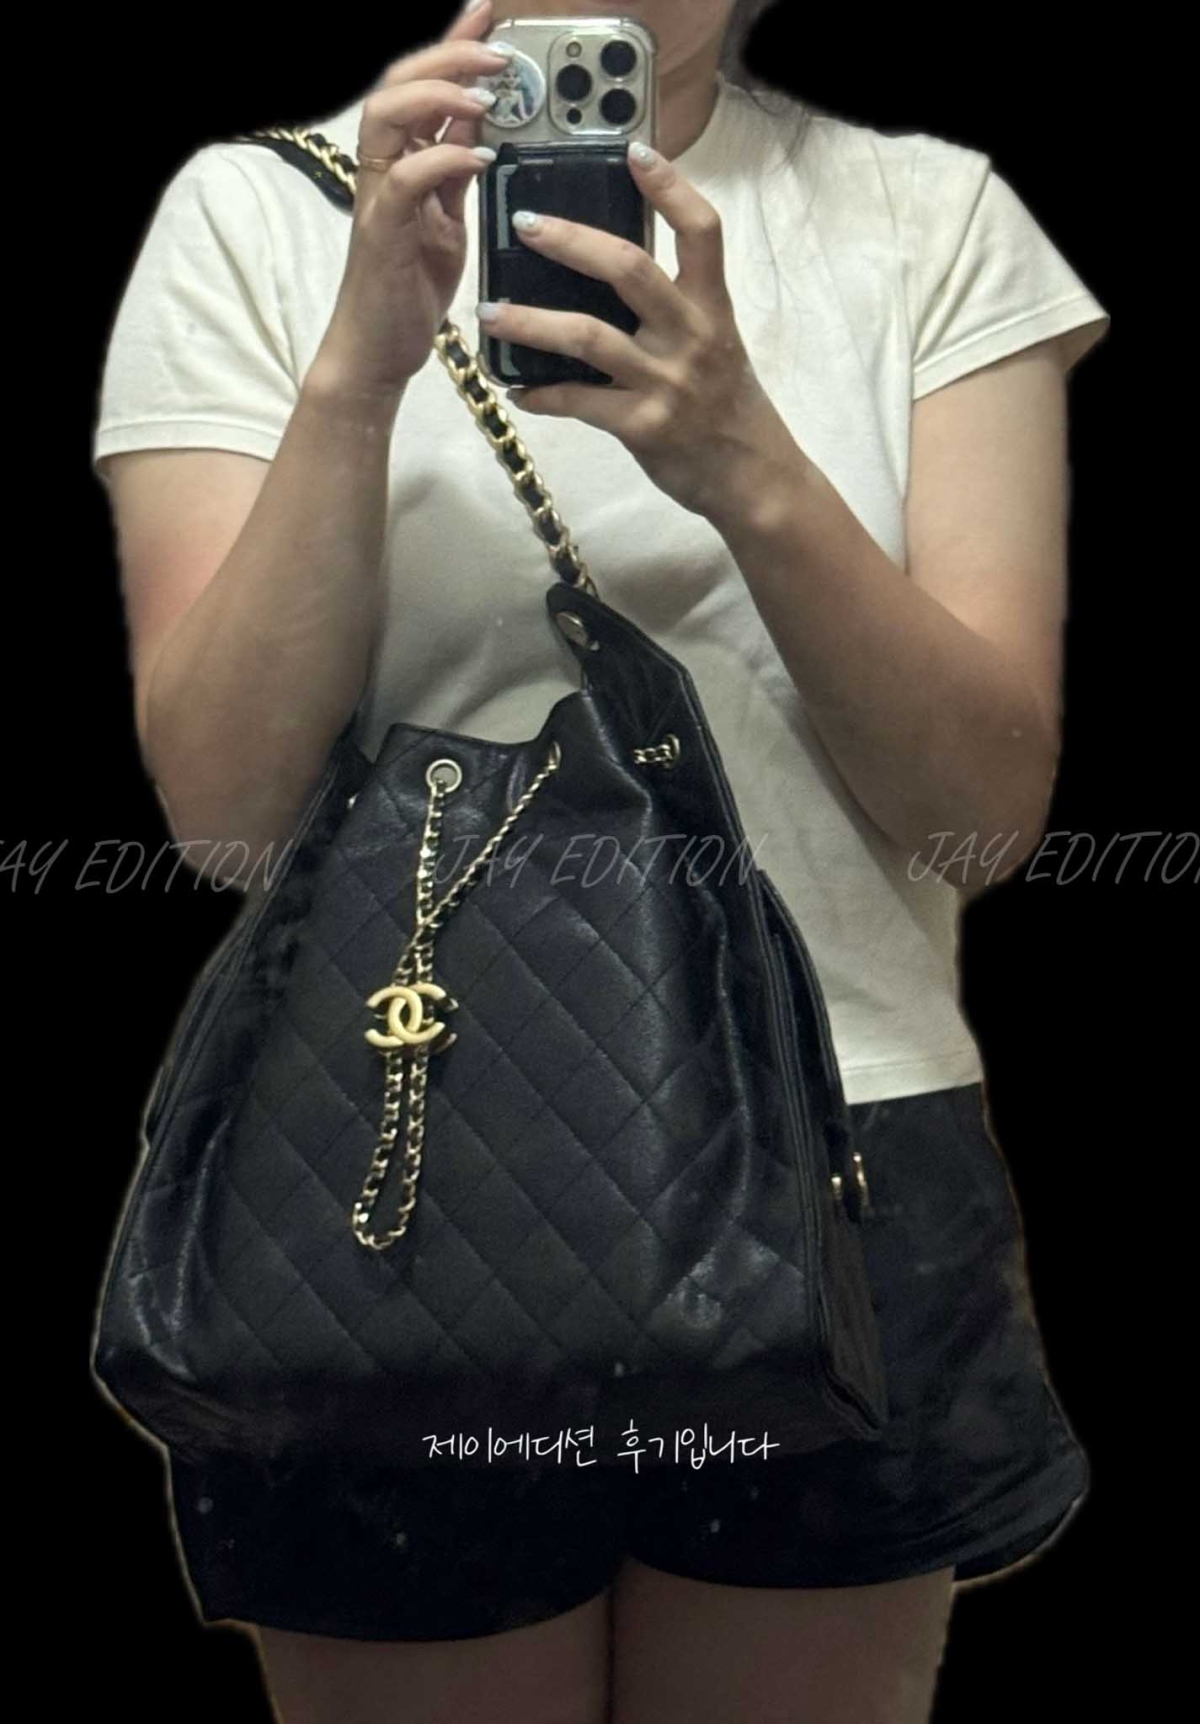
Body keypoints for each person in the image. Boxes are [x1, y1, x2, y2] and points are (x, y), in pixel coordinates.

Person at [90, 1, 1109, 1718]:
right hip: (394, 1164)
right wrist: (358, 372)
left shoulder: (929, 215)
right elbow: (226, 815)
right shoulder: (258, 212)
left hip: (837, 1155)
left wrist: (745, 465)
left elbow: (980, 817)